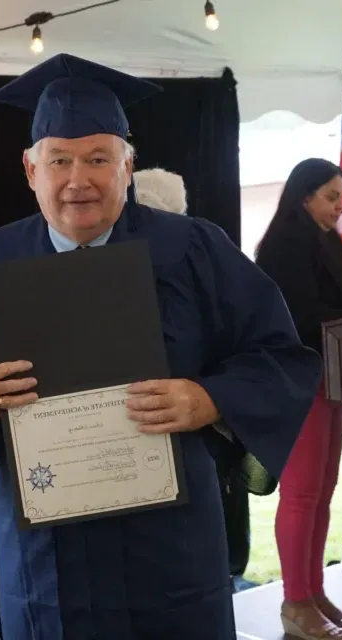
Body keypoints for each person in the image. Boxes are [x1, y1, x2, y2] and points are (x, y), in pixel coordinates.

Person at [0, 53, 323, 639]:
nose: (80, 179)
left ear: (128, 164)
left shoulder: (193, 250)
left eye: (99, 158)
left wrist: (210, 398)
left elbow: (280, 355)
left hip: (170, 550)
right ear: (30, 169)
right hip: (45, 556)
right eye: (60, 161)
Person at [254, 158, 342, 640]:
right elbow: (299, 312)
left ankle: (314, 590)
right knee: (302, 493)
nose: (338, 207)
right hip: (298, 378)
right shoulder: (284, 244)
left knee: (323, 491)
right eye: (329, 197)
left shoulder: (328, 242)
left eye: (340, 197)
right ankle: (295, 603)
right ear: (304, 197)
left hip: (331, 374)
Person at [133, 166, 256, 592]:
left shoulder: (206, 275)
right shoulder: (87, 279)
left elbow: (250, 359)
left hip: (195, 464)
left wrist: (209, 399)